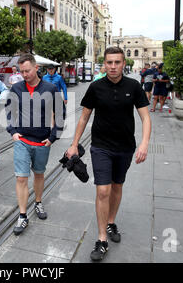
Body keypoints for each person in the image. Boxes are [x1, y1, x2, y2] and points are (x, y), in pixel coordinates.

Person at [66, 47, 151, 262]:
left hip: (125, 147)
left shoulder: (134, 86)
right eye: (109, 62)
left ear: (123, 64)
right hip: (101, 146)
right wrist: (74, 144)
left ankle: (111, 222)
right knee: (103, 190)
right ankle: (102, 238)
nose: (113, 66)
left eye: (117, 62)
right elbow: (84, 118)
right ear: (104, 64)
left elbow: (145, 118)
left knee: (117, 186)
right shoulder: (95, 87)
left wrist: (144, 144)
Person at [6, 53, 65, 235]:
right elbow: (9, 112)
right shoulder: (16, 88)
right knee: (21, 178)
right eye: (22, 71)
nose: (24, 74)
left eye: (27, 71)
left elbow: (61, 114)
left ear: (36, 68)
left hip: (42, 141)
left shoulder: (50, 88)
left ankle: (38, 202)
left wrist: (53, 137)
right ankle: (23, 215)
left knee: (39, 174)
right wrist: (13, 131)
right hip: (22, 140)